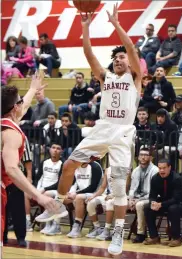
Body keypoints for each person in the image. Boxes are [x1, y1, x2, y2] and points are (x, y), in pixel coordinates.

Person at [36, 4, 142, 256]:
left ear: (129, 61)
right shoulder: (106, 78)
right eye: (115, 58)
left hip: (123, 132)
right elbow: (89, 54)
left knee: (117, 188)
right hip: (103, 128)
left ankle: (117, 232)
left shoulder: (135, 77)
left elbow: (130, 49)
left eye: (122, 57)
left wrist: (116, 24)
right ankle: (58, 206)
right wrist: (85, 28)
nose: (118, 59)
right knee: (69, 165)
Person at [1, 74, 58, 247]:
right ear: (14, 108)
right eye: (19, 101)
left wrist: (33, 89)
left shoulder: (6, 121)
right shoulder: (11, 133)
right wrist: (38, 195)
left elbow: (23, 106)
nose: (23, 104)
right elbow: (11, 168)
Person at [143, 159, 182, 247]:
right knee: (147, 207)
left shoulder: (177, 178)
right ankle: (154, 236)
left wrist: (161, 204)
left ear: (169, 167)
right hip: (164, 202)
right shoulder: (155, 178)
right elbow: (152, 196)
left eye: (164, 168)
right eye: (160, 168)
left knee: (173, 208)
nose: (162, 171)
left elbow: (176, 199)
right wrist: (153, 203)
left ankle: (176, 238)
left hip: (180, 204)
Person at [65, 162, 103, 238]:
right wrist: (70, 193)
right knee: (63, 198)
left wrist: (76, 193)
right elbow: (74, 183)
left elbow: (93, 187)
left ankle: (76, 227)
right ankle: (54, 224)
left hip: (96, 193)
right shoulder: (75, 166)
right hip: (82, 193)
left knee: (78, 198)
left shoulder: (95, 166)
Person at [128, 148, 158, 243]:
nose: (143, 157)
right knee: (117, 202)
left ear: (150, 157)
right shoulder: (136, 170)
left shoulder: (155, 170)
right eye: (141, 155)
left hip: (150, 198)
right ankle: (111, 231)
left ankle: (141, 233)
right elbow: (132, 188)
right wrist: (130, 199)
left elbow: (152, 192)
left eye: (145, 155)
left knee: (139, 205)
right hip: (137, 198)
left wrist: (137, 200)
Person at [86, 167, 114, 240]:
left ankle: (107, 230)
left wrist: (113, 195)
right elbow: (102, 187)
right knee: (91, 202)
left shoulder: (125, 169)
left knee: (109, 202)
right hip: (108, 195)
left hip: (120, 196)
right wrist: (93, 196)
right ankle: (97, 228)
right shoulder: (108, 170)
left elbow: (125, 188)